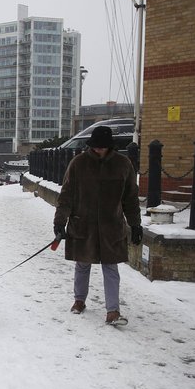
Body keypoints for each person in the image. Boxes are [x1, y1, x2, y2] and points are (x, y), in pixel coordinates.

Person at [53, 125, 143, 325]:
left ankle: (113, 310)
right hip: (83, 224)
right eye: (96, 147)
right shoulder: (78, 164)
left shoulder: (123, 164)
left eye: (102, 147)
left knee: (110, 267)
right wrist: (60, 222)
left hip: (111, 226)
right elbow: (66, 196)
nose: (98, 150)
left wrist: (135, 225)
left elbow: (131, 198)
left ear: (110, 146)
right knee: (82, 264)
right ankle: (79, 300)